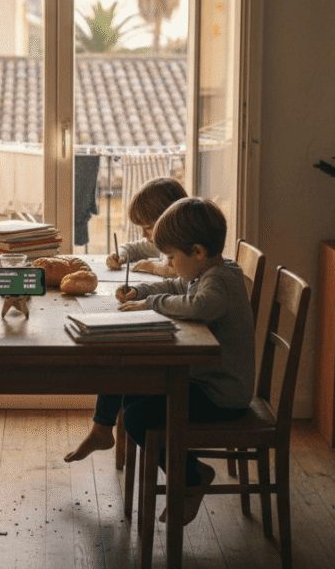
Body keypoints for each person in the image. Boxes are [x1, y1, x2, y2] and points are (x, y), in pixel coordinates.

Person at [117, 197, 256, 524]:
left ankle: (193, 476)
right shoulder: (209, 269)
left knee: (137, 417)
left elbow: (199, 306)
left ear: (196, 251)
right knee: (131, 398)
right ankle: (190, 469)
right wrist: (140, 291)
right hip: (207, 384)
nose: (169, 262)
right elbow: (176, 284)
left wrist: (152, 303)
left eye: (171, 256)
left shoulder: (219, 281)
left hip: (222, 396)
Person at [63, 176, 188, 463]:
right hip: (174, 324)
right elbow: (136, 249)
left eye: (148, 226)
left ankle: (102, 428)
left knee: (125, 354)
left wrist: (159, 271)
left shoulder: (192, 255)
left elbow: (182, 284)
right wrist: (121, 254)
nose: (145, 234)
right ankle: (102, 428)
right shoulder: (170, 244)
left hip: (188, 360)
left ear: (169, 218)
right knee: (121, 349)